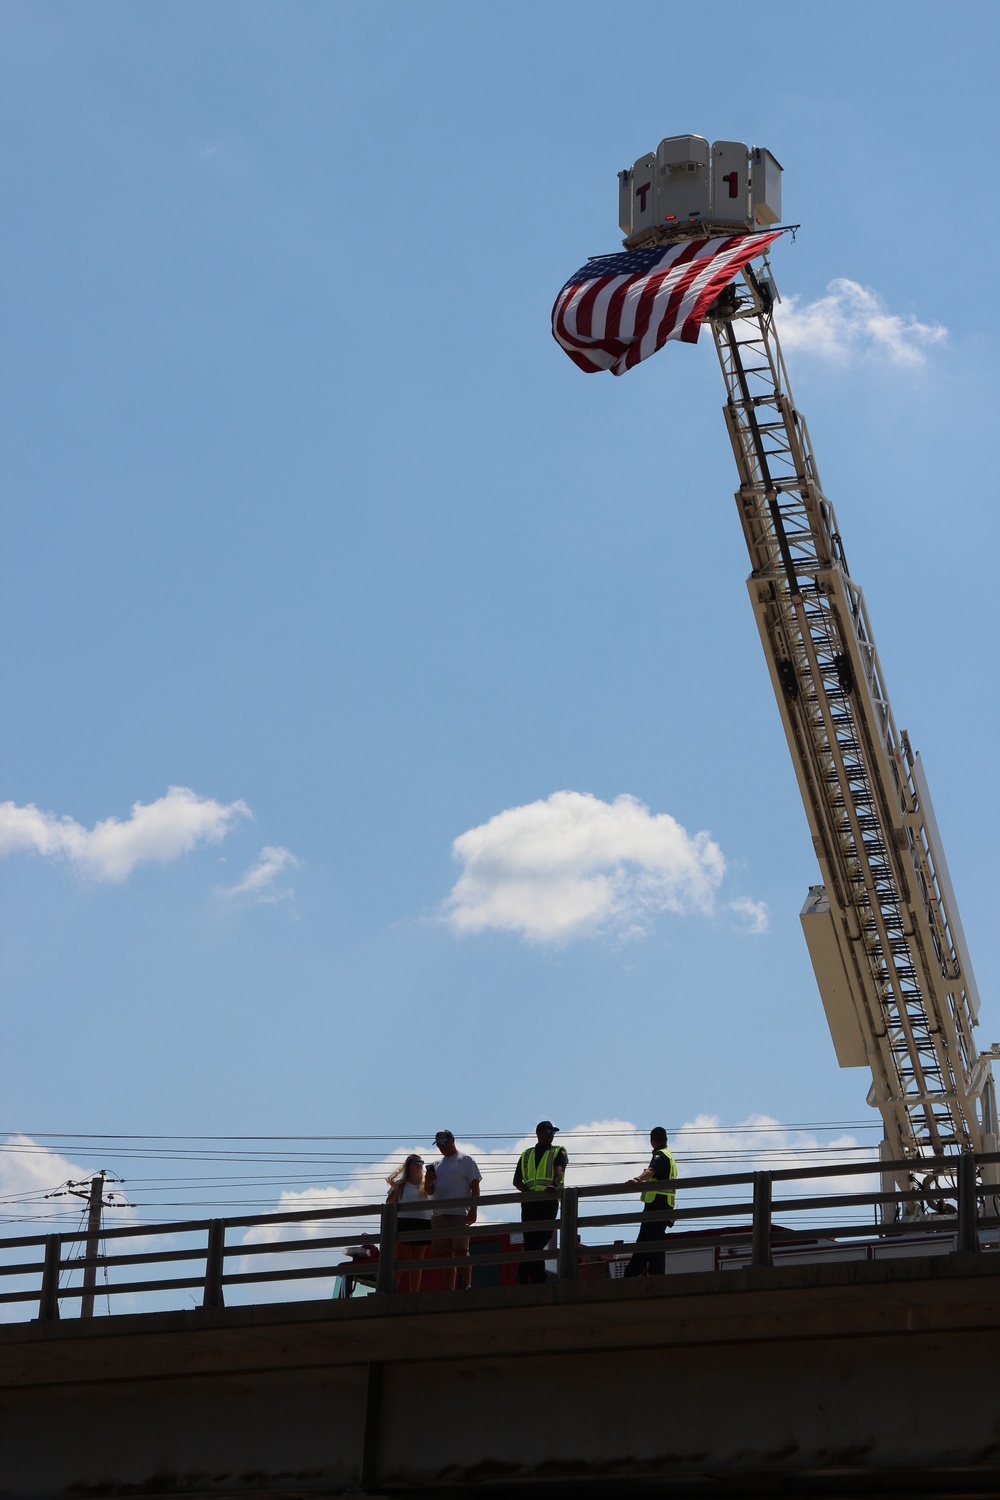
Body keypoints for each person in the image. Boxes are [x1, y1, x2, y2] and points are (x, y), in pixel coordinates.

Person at [424, 1130, 481, 1290]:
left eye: (444, 1143)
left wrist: (473, 1209)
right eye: (439, 1145)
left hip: (459, 1213)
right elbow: (429, 1191)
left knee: (461, 1249)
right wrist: (427, 1182)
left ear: (452, 1140)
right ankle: (450, 1288)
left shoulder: (466, 1160)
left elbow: (475, 1186)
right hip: (439, 1214)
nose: (442, 1147)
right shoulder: (436, 1164)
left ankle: (467, 1284)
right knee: (444, 1254)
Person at [513, 1121, 568, 1285]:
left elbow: (559, 1170)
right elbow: (516, 1180)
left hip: (547, 1200)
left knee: (542, 1237)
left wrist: (554, 1184)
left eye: (553, 1132)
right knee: (532, 1241)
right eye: (549, 1131)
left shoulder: (558, 1151)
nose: (552, 1134)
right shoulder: (526, 1154)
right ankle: (538, 1278)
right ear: (539, 1133)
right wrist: (528, 1192)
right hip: (530, 1203)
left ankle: (523, 1273)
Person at [623, 1127, 677, 1278]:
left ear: (652, 1140)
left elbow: (651, 1171)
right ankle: (631, 1275)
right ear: (666, 1139)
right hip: (664, 1205)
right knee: (646, 1241)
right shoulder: (670, 1156)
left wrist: (637, 1179)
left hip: (656, 1206)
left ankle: (650, 1275)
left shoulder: (661, 1155)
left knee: (652, 1242)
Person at [385, 1152, 431, 1293]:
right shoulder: (401, 1184)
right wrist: (396, 1190)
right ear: (408, 1166)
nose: (419, 1166)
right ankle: (392, 1290)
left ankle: (414, 1293)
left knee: (417, 1262)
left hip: (423, 1223)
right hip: (404, 1223)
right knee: (401, 1260)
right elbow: (389, 1203)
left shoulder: (426, 1185)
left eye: (421, 1163)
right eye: (416, 1163)